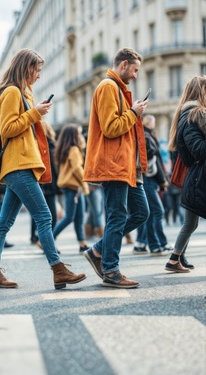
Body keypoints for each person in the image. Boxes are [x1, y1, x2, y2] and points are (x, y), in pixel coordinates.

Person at [0, 48, 86, 289]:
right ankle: (58, 269)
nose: (39, 75)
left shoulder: (22, 94)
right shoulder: (11, 92)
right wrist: (34, 113)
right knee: (44, 216)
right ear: (26, 68)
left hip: (21, 165)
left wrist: (34, 111)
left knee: (4, 222)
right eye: (37, 70)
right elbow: (7, 129)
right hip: (18, 165)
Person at [83, 47, 150, 288]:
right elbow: (111, 127)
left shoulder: (118, 90)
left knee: (142, 212)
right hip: (113, 164)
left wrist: (133, 112)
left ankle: (99, 250)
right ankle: (111, 269)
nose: (135, 75)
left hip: (125, 166)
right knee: (117, 215)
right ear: (123, 65)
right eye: (134, 70)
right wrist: (133, 112)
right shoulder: (108, 87)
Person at [165, 75, 206, 273]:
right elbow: (198, 149)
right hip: (199, 179)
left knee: (190, 224)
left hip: (196, 179)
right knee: (189, 224)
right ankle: (174, 259)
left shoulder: (188, 115)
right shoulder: (193, 116)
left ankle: (175, 259)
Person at [133, 114, 172, 255]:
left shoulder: (144, 135)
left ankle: (149, 244)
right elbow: (154, 160)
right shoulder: (146, 136)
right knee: (156, 211)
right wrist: (162, 180)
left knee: (148, 212)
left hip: (147, 178)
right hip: (148, 178)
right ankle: (157, 244)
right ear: (149, 122)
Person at [53, 124, 90, 253]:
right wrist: (85, 182)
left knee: (79, 217)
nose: (81, 136)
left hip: (73, 187)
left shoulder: (65, 149)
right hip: (74, 187)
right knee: (69, 217)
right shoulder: (74, 149)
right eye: (79, 133)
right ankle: (47, 241)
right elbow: (77, 168)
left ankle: (82, 244)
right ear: (74, 135)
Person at [31, 119, 62, 248]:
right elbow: (54, 168)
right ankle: (46, 243)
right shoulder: (48, 144)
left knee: (41, 215)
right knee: (50, 216)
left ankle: (41, 240)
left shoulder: (39, 144)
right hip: (48, 184)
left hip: (44, 183)